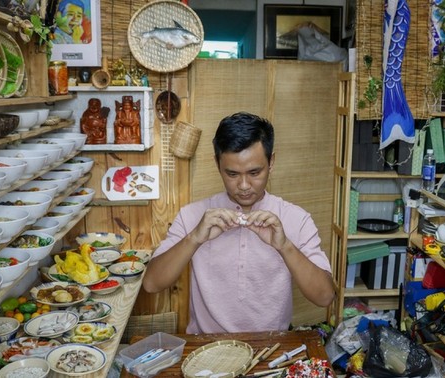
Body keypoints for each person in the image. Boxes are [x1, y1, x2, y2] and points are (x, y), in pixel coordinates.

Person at [143, 112, 335, 334]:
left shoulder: (296, 218)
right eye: (232, 174)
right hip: (207, 347)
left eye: (255, 172)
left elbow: (325, 297)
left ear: (271, 162)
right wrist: (194, 238)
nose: (244, 185)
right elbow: (152, 284)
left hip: (271, 347)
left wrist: (285, 246)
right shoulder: (192, 215)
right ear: (217, 164)